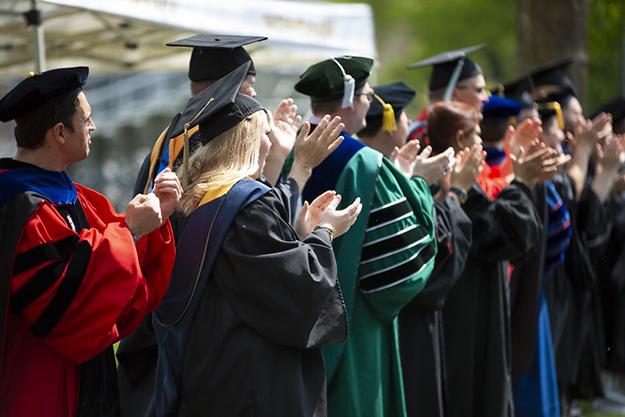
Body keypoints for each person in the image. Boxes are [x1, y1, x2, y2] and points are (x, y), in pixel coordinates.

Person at [150, 62, 361, 417]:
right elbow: (296, 285)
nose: (272, 142)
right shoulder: (245, 205)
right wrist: (324, 232)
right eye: (265, 133)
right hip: (250, 379)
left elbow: (252, 275)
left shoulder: (193, 197)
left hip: (207, 367)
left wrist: (300, 230)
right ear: (246, 140)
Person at [0, 66, 179, 417]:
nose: (94, 127)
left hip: (86, 379)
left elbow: (117, 285)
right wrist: (132, 231)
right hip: (41, 383)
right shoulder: (20, 207)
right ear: (60, 133)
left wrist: (157, 219)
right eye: (87, 118)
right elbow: (64, 310)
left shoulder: (77, 198)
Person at [293, 56, 438, 417]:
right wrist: (417, 183)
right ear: (349, 99)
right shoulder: (365, 164)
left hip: (292, 316)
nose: (370, 104)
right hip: (353, 324)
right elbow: (401, 271)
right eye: (367, 95)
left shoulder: (287, 154)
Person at [359, 81, 475, 417]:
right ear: (391, 122)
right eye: (405, 115)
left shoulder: (373, 170)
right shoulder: (376, 176)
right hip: (400, 314)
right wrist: (433, 190)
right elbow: (424, 256)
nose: (410, 123)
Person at [427, 101, 546, 417]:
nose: (482, 142)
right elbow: (514, 234)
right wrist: (522, 183)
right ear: (460, 139)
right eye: (476, 135)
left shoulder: (439, 187)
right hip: (468, 320)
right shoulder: (455, 193)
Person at [406, 45, 489, 141]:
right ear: (454, 94)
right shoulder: (427, 136)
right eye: (479, 90)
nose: (486, 98)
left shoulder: (459, 129)